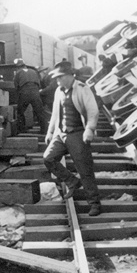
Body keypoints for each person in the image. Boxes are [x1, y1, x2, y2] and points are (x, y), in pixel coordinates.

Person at [43, 61, 102, 216]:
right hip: (61, 134)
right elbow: (55, 114)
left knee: (85, 169)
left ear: (70, 75)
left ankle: (94, 203)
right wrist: (50, 132)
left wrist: (89, 129)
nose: (57, 80)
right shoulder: (58, 91)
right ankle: (72, 182)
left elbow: (93, 111)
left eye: (60, 77)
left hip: (77, 133)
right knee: (48, 158)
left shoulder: (82, 88)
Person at [12, 58, 48, 135]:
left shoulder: (18, 73)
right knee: (40, 112)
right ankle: (44, 130)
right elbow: (39, 84)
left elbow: (16, 86)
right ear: (25, 65)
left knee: (20, 112)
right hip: (35, 92)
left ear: (18, 67)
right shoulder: (34, 72)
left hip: (24, 92)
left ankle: (22, 129)